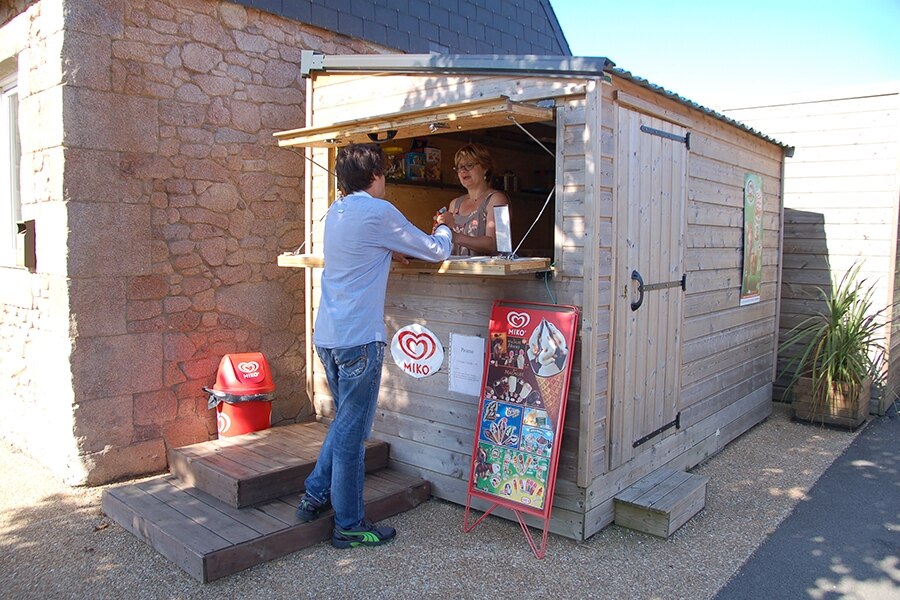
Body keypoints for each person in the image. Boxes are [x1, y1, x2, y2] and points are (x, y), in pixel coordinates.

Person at [295, 143, 456, 549]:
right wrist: (446, 224)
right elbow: (436, 250)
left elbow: (364, 251)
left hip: (328, 337)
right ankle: (348, 524)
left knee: (344, 422)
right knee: (353, 435)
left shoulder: (337, 212)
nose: (385, 178)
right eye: (384, 172)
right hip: (359, 340)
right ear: (375, 176)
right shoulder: (378, 211)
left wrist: (391, 251)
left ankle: (315, 494)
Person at [433, 143, 509, 256]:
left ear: (485, 167)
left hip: (490, 272)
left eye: (469, 165)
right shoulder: (454, 204)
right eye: (459, 167)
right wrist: (439, 230)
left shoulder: (498, 200)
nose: (463, 170)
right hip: (457, 272)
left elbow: (497, 244)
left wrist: (455, 236)